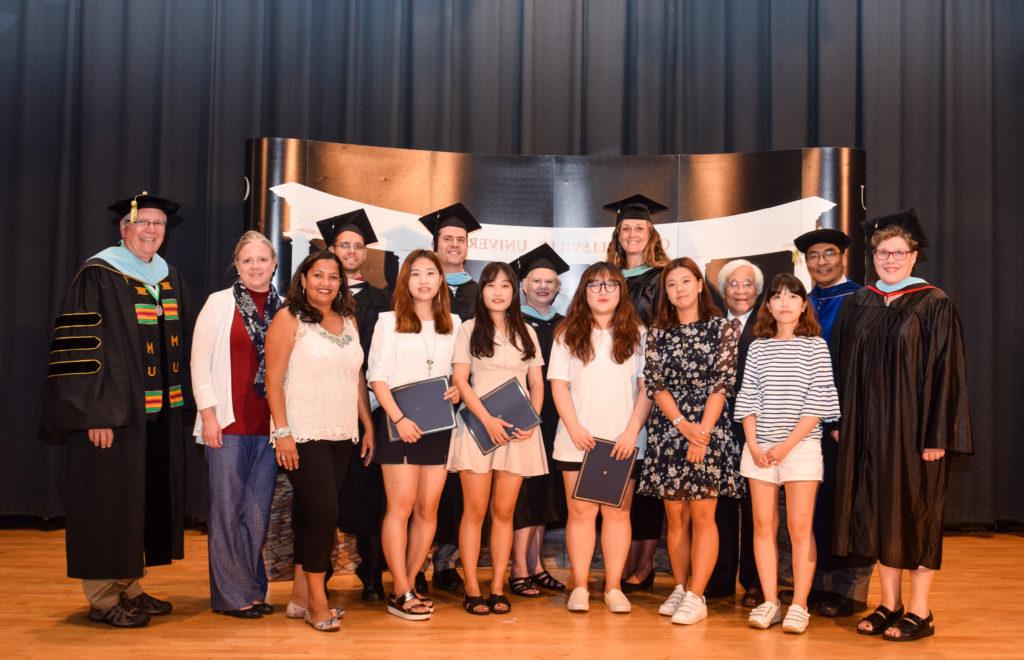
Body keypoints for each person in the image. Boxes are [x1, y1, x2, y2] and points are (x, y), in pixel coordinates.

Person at [39, 192, 189, 627]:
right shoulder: (99, 274)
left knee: (137, 501)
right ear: (123, 229)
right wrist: (95, 413)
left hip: (154, 416)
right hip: (112, 417)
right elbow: (81, 348)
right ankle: (104, 597)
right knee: (107, 502)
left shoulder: (166, 277)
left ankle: (130, 585)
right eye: (141, 222)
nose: (151, 230)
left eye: (158, 224)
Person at [831, 210, 972, 642]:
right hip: (869, 432)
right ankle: (889, 603)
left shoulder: (933, 302)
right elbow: (840, 366)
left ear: (914, 257)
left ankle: (920, 610)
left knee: (917, 515)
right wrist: (841, 421)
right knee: (876, 513)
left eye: (898, 253)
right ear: (872, 257)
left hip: (915, 434)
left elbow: (948, 372)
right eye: (882, 252)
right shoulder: (860, 302)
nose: (890, 260)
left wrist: (937, 435)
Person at [265, 250, 374, 633]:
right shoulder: (288, 318)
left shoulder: (348, 320)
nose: (326, 282)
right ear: (304, 279)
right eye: (318, 275)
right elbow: (273, 381)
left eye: (333, 277)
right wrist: (282, 433)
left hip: (342, 432)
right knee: (325, 515)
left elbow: (356, 376)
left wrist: (367, 424)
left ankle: (298, 598)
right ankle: (317, 603)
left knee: (310, 515)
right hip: (302, 432)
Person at [734, 273, 840, 634]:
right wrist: (753, 444)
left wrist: (787, 445)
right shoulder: (758, 346)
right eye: (776, 296)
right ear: (768, 305)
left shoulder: (815, 346)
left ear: (802, 303)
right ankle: (769, 601)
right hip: (759, 449)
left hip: (800, 448)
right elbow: (747, 397)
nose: (783, 302)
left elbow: (819, 402)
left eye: (792, 296)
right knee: (763, 526)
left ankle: (799, 605)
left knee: (799, 526)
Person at [639, 258, 741, 625]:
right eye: (671, 284)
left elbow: (722, 382)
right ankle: (682, 587)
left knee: (702, 515)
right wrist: (683, 425)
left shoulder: (722, 328)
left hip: (708, 428)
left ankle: (698, 595)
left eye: (686, 281)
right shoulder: (657, 332)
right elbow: (655, 384)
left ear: (700, 285)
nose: (679, 289)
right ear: (665, 292)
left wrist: (702, 433)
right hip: (670, 429)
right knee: (675, 517)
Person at [548, 262, 653, 614]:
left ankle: (612, 587)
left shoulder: (638, 333)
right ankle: (579, 586)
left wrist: (631, 430)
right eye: (595, 285)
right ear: (583, 292)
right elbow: (558, 385)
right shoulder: (566, 333)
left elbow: (646, 389)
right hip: (578, 440)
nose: (603, 291)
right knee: (580, 512)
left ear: (622, 291)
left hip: (622, 442)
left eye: (611, 284)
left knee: (617, 514)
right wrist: (574, 426)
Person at [367, 249, 462, 621]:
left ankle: (407, 582)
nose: (424, 280)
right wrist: (399, 419)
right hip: (398, 425)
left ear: (441, 280)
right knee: (401, 507)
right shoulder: (388, 321)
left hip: (439, 425)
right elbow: (377, 377)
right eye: (416, 274)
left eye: (431, 273)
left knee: (428, 509)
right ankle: (402, 590)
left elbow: (458, 370)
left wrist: (458, 387)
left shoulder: (453, 322)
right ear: (405, 281)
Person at [448, 262, 547, 615]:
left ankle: (498, 586)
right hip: (477, 430)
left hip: (518, 434)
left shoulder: (528, 332)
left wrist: (532, 421)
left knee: (504, 513)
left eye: (506, 285)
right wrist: (486, 419)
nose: (499, 291)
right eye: (491, 285)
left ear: (515, 291)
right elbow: (461, 381)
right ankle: (472, 586)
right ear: (482, 290)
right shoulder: (469, 329)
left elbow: (536, 384)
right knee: (475, 513)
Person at [191, 231, 281, 618]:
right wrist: (208, 414)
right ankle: (231, 596)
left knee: (257, 513)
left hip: (271, 426)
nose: (255, 267)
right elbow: (199, 362)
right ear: (237, 265)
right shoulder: (219, 303)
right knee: (227, 511)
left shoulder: (286, 307)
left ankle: (253, 588)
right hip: (228, 423)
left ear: (274, 264)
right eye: (247, 261)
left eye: (262, 259)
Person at [793, 227, 871, 618]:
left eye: (828, 254)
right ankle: (817, 584)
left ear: (843, 257)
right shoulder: (800, 303)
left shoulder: (862, 300)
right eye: (813, 256)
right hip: (803, 425)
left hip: (846, 419)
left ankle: (850, 589)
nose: (820, 262)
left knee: (847, 499)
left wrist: (848, 416)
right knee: (814, 504)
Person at [318, 209, 391, 602]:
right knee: (324, 493)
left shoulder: (383, 299)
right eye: (344, 245)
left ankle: (372, 573)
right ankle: (319, 573)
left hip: (371, 410)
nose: (351, 251)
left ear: (366, 253)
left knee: (369, 494)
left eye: (358, 246)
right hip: (324, 407)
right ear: (331, 249)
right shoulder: (317, 296)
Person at [603, 194, 671, 593]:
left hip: (650, 386)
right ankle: (620, 560)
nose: (632, 234)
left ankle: (643, 563)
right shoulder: (605, 277)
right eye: (626, 228)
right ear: (618, 233)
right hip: (610, 386)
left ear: (650, 235)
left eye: (639, 229)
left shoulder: (664, 277)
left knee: (647, 482)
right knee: (617, 479)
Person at [415, 202, 482, 594]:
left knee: (458, 494)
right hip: (425, 404)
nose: (454, 245)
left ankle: (447, 563)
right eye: (447, 239)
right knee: (424, 492)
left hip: (469, 405)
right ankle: (418, 563)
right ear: (436, 244)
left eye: (461, 240)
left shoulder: (479, 292)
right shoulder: (419, 288)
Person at [508, 244, 571, 596]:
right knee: (523, 492)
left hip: (557, 417)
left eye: (550, 281)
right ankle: (518, 567)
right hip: (523, 416)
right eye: (536, 280)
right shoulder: (513, 322)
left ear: (559, 288)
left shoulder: (566, 325)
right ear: (524, 286)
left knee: (544, 491)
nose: (544, 286)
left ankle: (535, 564)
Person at [706, 258, 766, 607]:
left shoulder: (769, 325)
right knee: (722, 504)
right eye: (733, 284)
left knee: (755, 506)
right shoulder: (712, 326)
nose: (740, 290)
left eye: (747, 284)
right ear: (723, 290)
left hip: (756, 426)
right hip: (718, 426)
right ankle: (721, 577)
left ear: (757, 291)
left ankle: (755, 581)